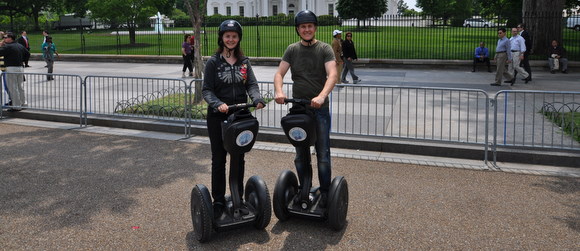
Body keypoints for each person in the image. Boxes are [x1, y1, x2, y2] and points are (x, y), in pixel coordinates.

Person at [274, 10, 338, 207]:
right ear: (298, 29)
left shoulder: (325, 49)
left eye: (310, 26)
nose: (307, 29)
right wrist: (279, 91)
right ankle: (304, 189)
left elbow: (333, 74)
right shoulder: (292, 49)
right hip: (299, 111)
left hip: (319, 110)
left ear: (315, 28)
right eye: (303, 26)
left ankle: (326, 193)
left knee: (323, 154)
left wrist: (321, 96)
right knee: (301, 154)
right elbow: (279, 73)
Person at [202, 20, 265, 218]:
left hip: (239, 116)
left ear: (239, 38)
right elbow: (207, 90)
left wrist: (257, 98)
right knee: (219, 158)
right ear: (221, 38)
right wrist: (217, 103)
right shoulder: (213, 62)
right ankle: (219, 200)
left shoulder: (244, 62)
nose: (231, 39)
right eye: (227, 36)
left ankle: (238, 197)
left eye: (234, 36)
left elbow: (252, 85)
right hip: (218, 117)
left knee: (238, 157)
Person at [0, 32, 29, 111]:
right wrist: (22, 60)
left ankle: (16, 106)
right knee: (20, 86)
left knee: (13, 87)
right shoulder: (19, 45)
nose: (4, 39)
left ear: (10, 38)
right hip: (20, 67)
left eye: (6, 37)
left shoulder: (8, 47)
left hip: (11, 68)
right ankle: (23, 103)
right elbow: (27, 54)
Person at [1, 31, 10, 106]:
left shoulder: (7, 47)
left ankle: (12, 100)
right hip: (2, 70)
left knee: (8, 86)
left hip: (6, 70)